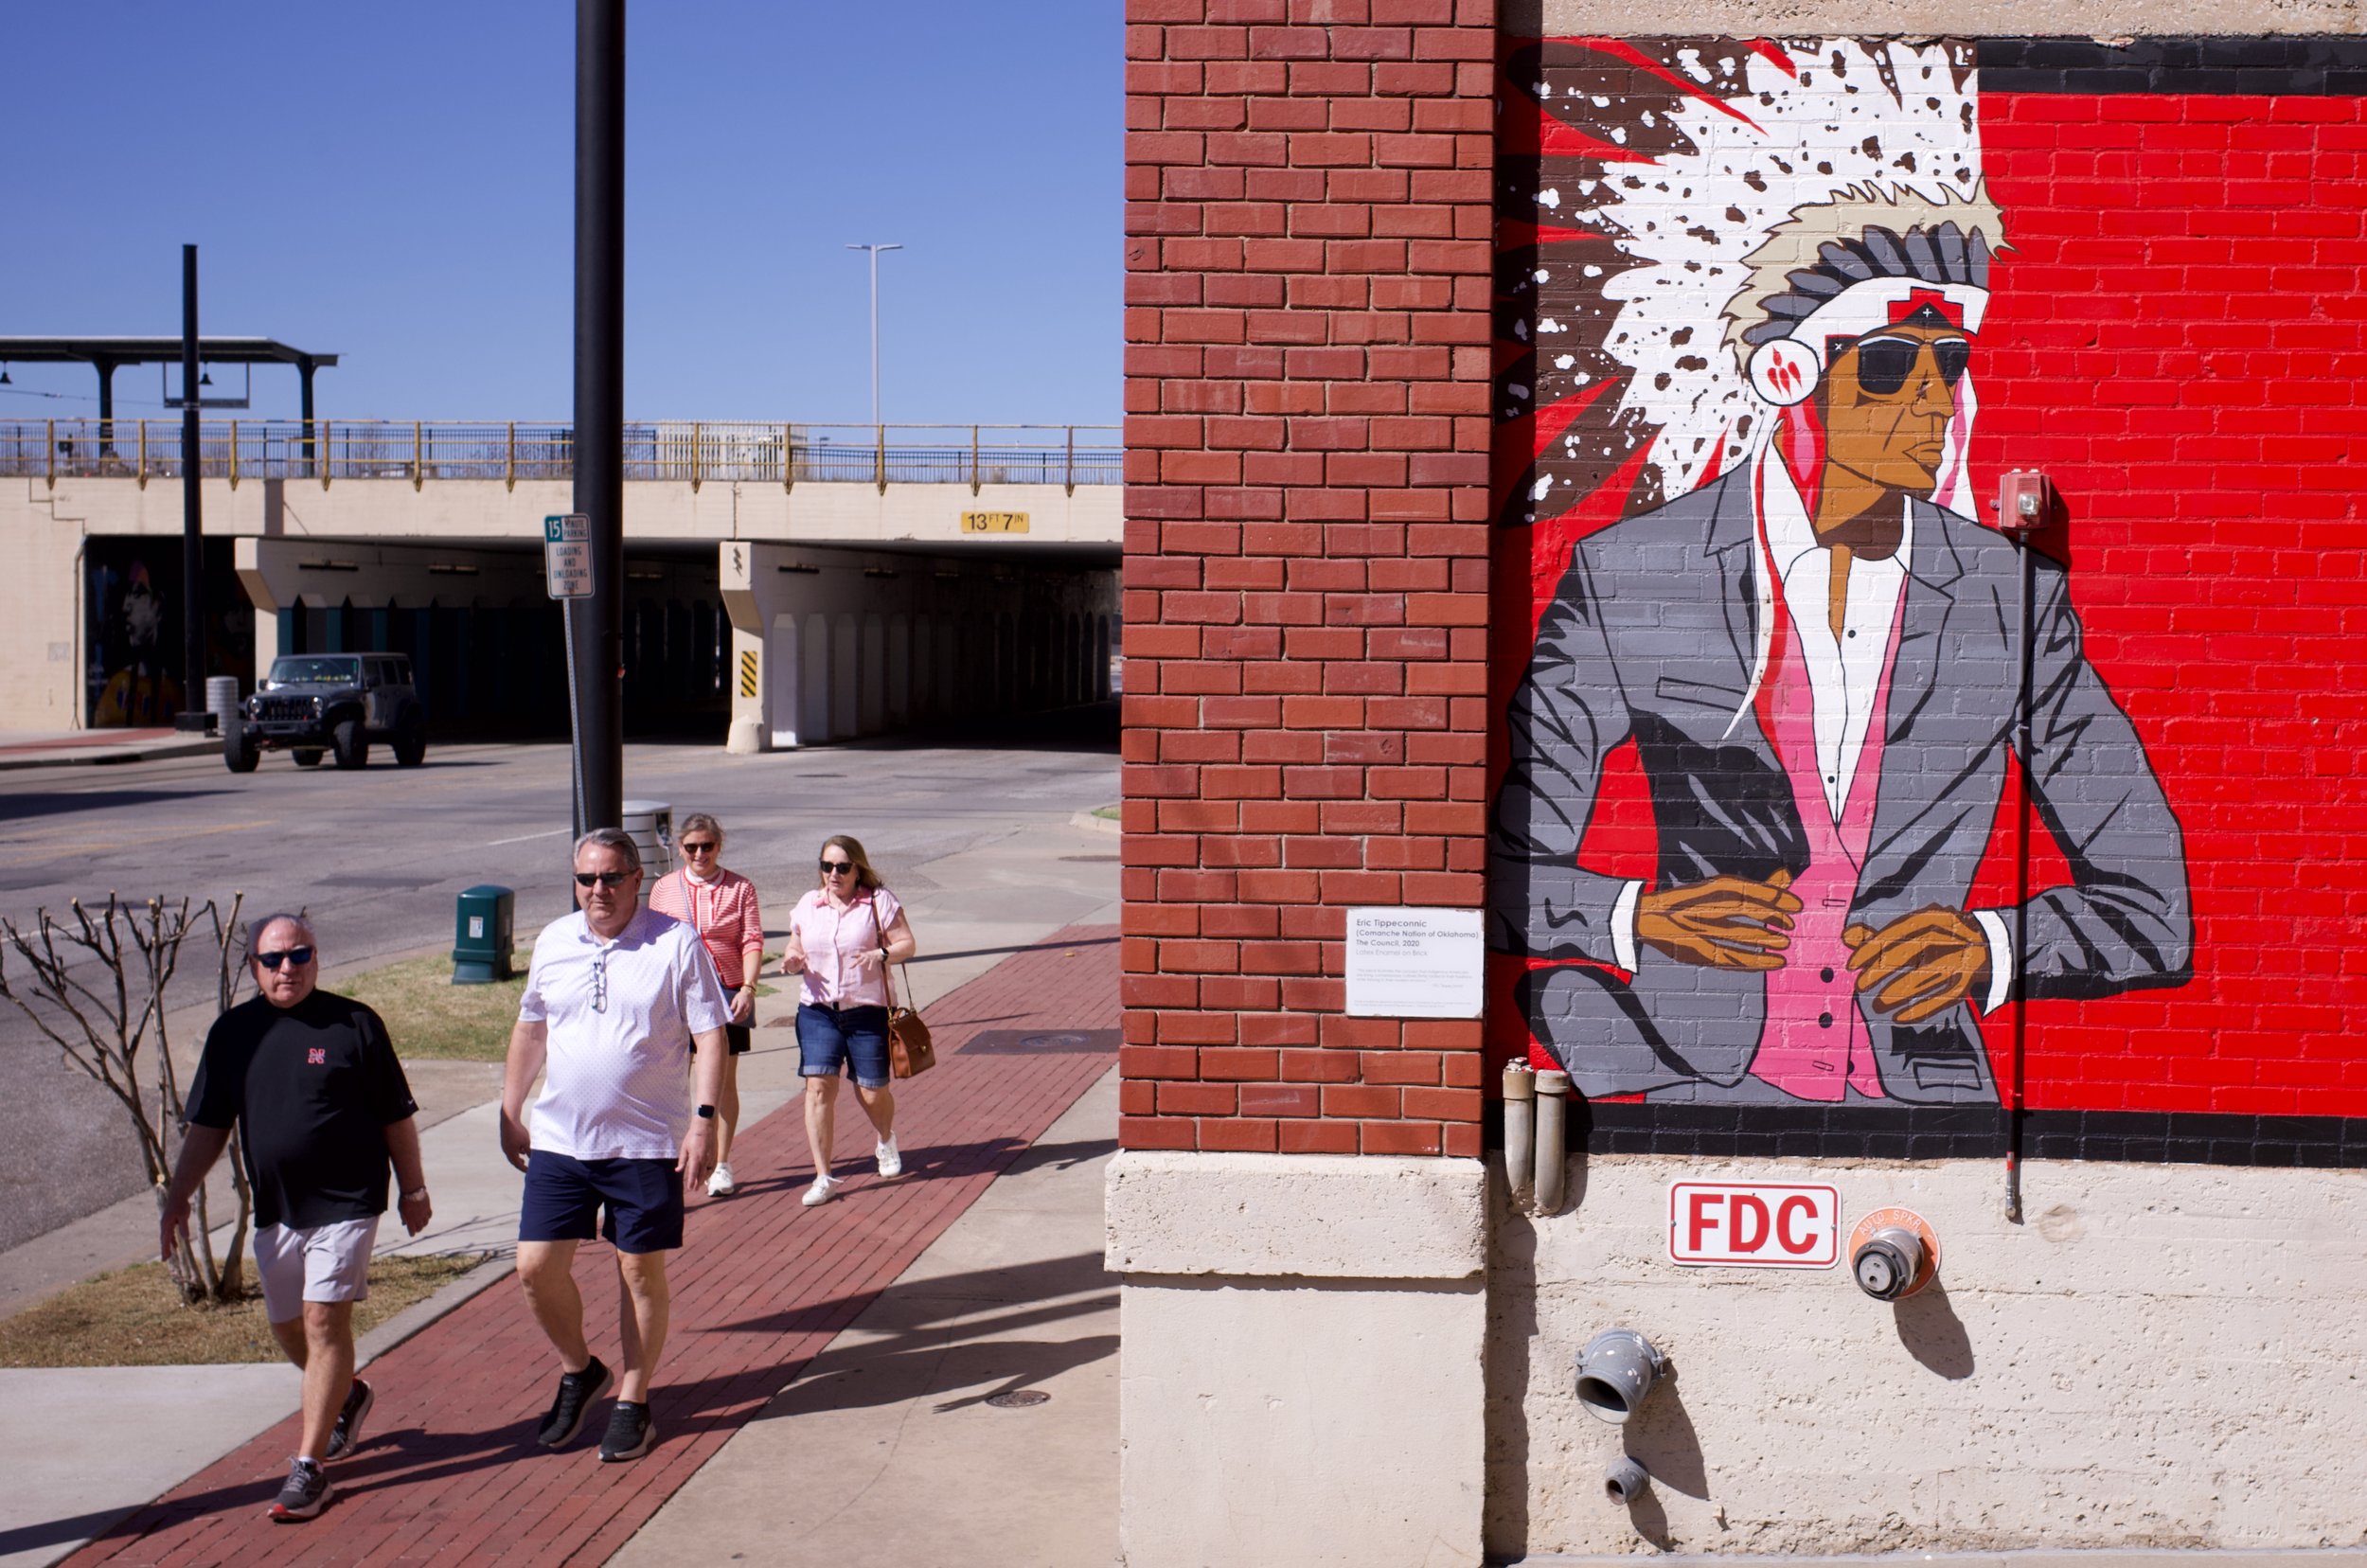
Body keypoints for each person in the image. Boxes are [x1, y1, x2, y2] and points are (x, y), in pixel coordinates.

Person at [1489, 187, 2191, 1106]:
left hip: (1924, 1092)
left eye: (1951, 365)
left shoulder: (2007, 598)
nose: (1934, 401)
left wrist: (1994, 948)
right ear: (1788, 374)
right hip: (1684, 1080)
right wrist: (1637, 918)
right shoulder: (1633, 574)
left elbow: (2153, 905)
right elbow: (1497, 869)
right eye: (1893, 365)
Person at [160, 915, 431, 1523]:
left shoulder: (354, 1023)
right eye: (274, 959)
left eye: (300, 955)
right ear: (254, 966)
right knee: (288, 1326)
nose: (289, 968)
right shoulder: (233, 1033)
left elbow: (396, 1117)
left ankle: (308, 1469)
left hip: (349, 1201)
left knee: (321, 1319)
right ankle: (347, 1393)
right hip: (278, 1207)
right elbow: (209, 1127)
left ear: (317, 957)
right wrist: (179, 1198)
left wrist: (412, 1189)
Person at [501, 828, 729, 1464]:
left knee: (638, 1271)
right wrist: (509, 1108)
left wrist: (703, 1121)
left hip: (645, 1142)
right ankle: (580, 1369)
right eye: (585, 879)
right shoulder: (554, 940)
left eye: (609, 878)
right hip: (559, 1140)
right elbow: (531, 1028)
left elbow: (710, 1036)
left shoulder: (674, 942)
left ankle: (633, 1397)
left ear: (635, 879)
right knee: (534, 1268)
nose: (596, 890)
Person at [779, 834, 917, 1206]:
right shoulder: (810, 904)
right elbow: (795, 943)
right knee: (819, 1087)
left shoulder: (878, 902)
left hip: (867, 1012)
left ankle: (885, 1138)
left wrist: (881, 953)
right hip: (818, 1011)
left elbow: (908, 943)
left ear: (858, 869)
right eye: (827, 866)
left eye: (842, 867)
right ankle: (823, 1175)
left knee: (872, 1091)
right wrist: (792, 958)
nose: (833, 874)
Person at [647, 813, 763, 1197]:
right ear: (680, 848)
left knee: (723, 1083)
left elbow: (751, 940)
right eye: (692, 847)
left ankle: (723, 1163)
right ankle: (676, 1155)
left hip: (726, 993)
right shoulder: (664, 888)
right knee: (673, 1078)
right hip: (677, 998)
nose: (700, 854)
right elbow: (653, 943)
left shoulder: (740, 888)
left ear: (719, 846)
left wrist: (748, 987)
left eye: (707, 846)